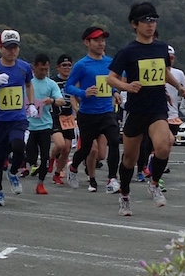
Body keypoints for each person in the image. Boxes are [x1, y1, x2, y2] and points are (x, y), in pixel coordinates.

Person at [107, 2, 185, 216]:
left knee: (164, 146)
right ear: (134, 24)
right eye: (145, 21)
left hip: (157, 108)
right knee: (130, 159)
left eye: (153, 20)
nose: (150, 24)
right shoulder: (127, 51)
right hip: (136, 110)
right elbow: (111, 78)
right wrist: (126, 86)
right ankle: (125, 195)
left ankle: (154, 183)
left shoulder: (161, 48)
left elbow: (164, 72)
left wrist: (179, 86)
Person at [0, 29, 35, 207]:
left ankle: (13, 172)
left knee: (19, 146)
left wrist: (31, 103)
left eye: (15, 47)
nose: (12, 51)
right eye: (8, 47)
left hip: (18, 118)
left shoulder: (24, 67)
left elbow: (29, 84)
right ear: (0, 48)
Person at [65, 26, 122, 194]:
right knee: (86, 149)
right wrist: (84, 93)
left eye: (103, 40)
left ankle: (112, 179)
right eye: (97, 40)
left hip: (107, 112)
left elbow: (110, 82)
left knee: (114, 141)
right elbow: (68, 87)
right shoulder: (81, 65)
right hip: (88, 114)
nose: (101, 43)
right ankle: (73, 167)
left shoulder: (110, 62)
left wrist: (115, 92)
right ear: (87, 42)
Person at [27, 54, 64, 194]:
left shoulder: (51, 84)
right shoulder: (28, 83)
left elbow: (61, 100)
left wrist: (52, 101)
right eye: (41, 69)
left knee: (45, 156)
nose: (43, 72)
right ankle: (29, 164)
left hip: (45, 125)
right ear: (34, 67)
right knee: (30, 155)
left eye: (46, 69)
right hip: (28, 126)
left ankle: (40, 183)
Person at [49, 54, 77, 185]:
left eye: (69, 65)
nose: (67, 68)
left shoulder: (74, 81)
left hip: (68, 117)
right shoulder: (53, 82)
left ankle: (57, 173)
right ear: (58, 67)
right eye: (64, 65)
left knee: (67, 148)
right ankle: (51, 158)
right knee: (60, 145)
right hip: (55, 116)